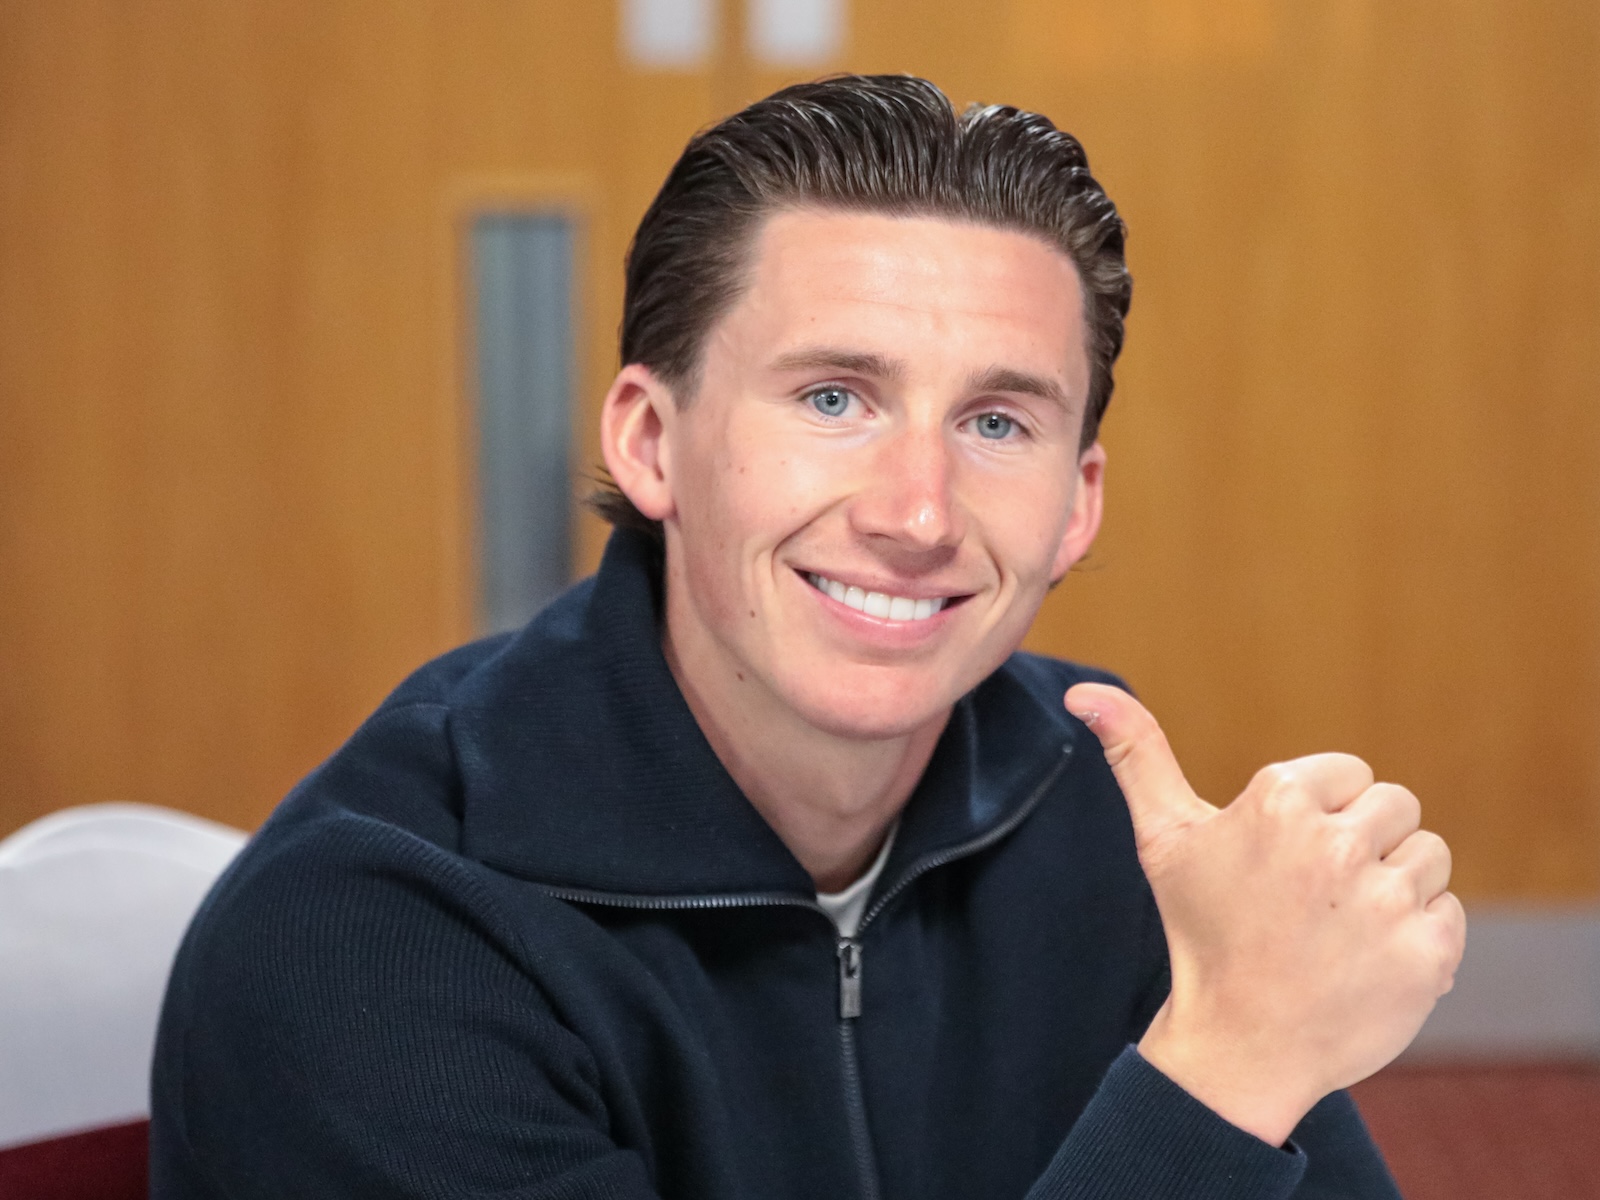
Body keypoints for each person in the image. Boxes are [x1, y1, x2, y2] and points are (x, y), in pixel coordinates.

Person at [150, 75, 1464, 1199]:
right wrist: (1227, 1067)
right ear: (651, 443)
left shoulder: (1101, 815)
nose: (917, 513)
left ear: (1078, 504)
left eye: (996, 423)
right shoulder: (363, 936)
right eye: (834, 398)